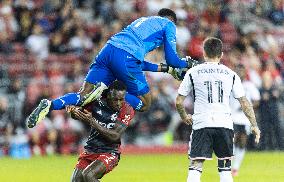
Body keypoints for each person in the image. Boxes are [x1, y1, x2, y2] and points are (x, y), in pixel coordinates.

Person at [27, 8, 196, 128]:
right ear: (171, 20)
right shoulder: (168, 25)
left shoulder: (141, 22)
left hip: (108, 51)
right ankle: (105, 92)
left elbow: (138, 63)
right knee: (145, 103)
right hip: (126, 57)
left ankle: (50, 104)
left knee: (84, 95)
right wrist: (186, 63)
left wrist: (166, 69)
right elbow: (173, 59)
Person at [175, 37, 260, 182]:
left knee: (195, 167)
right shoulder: (231, 74)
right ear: (221, 54)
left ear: (204, 53)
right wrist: (254, 125)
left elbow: (178, 101)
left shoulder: (193, 72)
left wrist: (184, 116)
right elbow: (245, 102)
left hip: (201, 123)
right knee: (225, 169)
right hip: (224, 124)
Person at [68, 80, 135, 182]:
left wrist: (93, 122)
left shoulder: (126, 110)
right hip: (91, 149)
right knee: (76, 180)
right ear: (108, 96)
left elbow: (115, 136)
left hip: (109, 152)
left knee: (89, 175)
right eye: (115, 99)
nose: (118, 103)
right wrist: (74, 111)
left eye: (121, 99)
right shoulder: (96, 102)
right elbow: (78, 114)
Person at [230, 64, 260, 177]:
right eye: (237, 70)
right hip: (231, 117)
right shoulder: (230, 85)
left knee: (242, 142)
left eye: (241, 71)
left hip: (244, 119)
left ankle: (236, 168)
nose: (239, 73)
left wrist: (248, 108)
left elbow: (257, 100)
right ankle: (229, 165)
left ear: (244, 72)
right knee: (232, 140)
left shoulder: (249, 86)